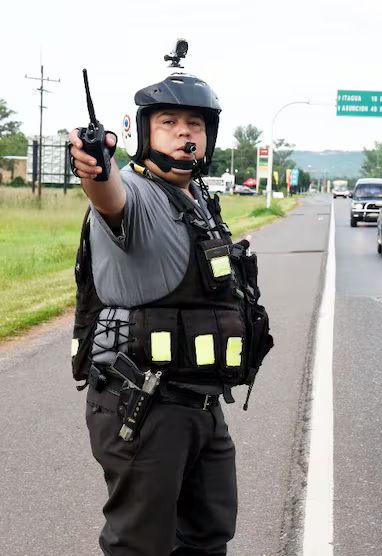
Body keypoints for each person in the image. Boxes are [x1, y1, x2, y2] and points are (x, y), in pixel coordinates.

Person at [68, 71, 272, 555]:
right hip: (144, 405)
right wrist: (97, 165)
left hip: (201, 405)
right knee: (141, 545)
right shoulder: (135, 196)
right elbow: (107, 194)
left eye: (196, 124)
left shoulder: (198, 199)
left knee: (208, 534)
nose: (186, 132)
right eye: (169, 122)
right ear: (145, 134)